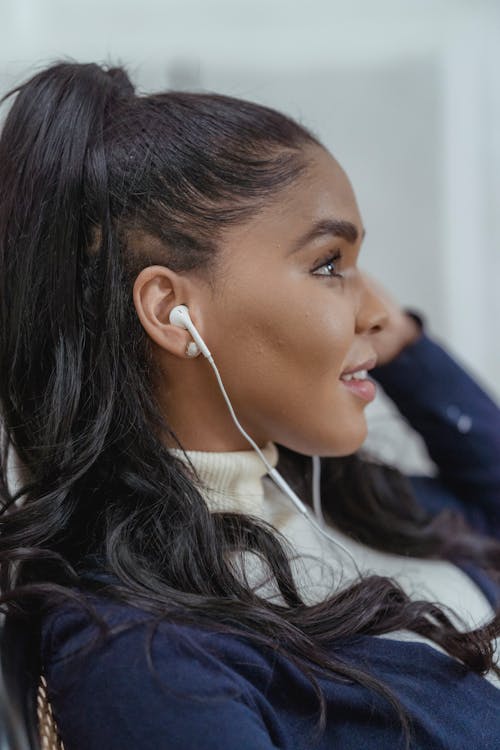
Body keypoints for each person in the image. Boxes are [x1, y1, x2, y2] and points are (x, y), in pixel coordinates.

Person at [0, 60, 499, 750]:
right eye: (330, 264)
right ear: (173, 311)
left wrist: (408, 348)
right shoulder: (144, 657)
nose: (378, 312)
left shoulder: (338, 502)